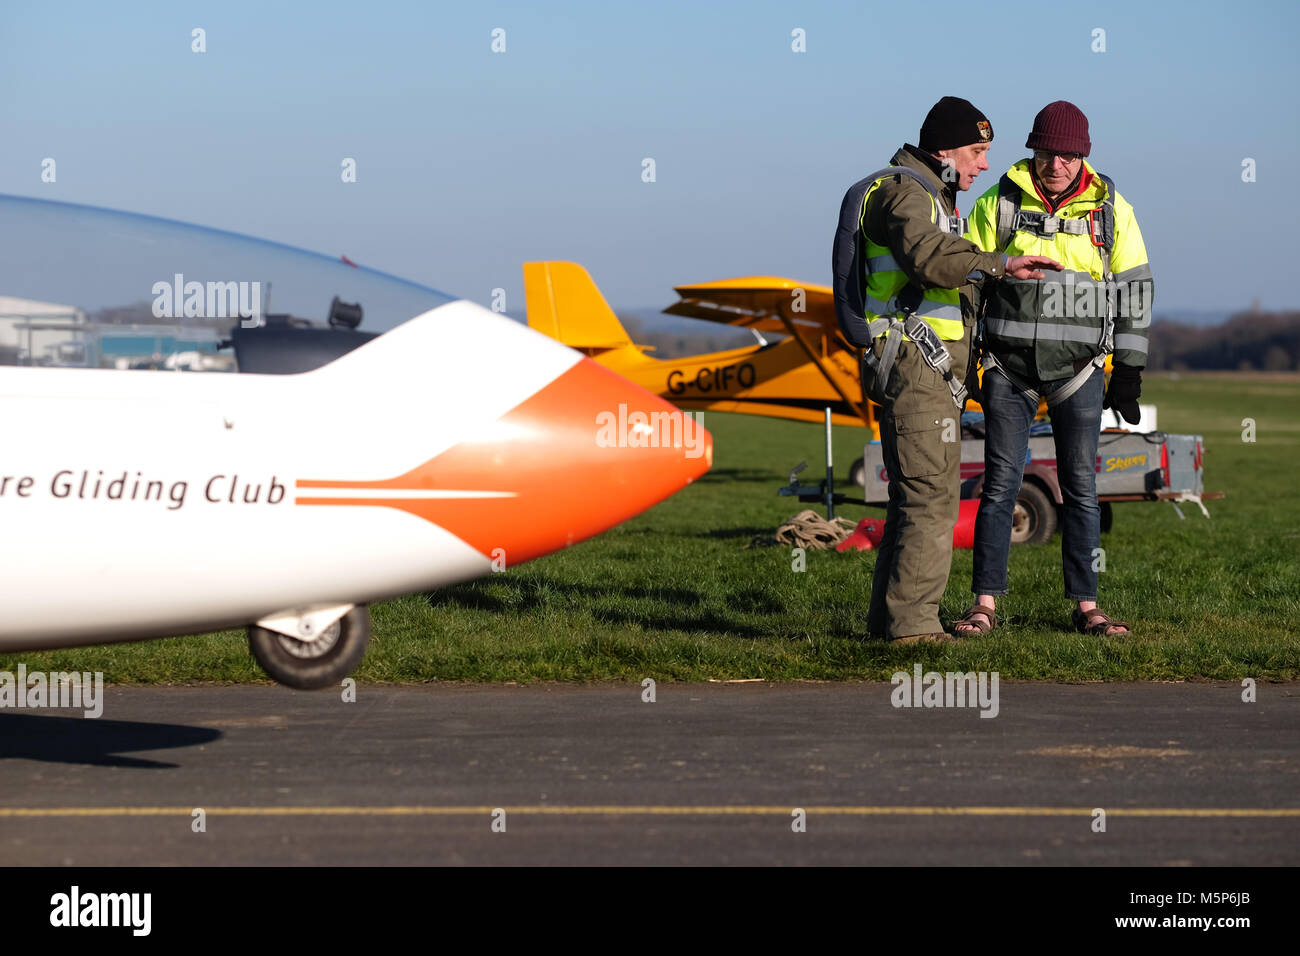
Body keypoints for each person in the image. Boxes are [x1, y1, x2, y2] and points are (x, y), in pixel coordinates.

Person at [842, 97, 1062, 645]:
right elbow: (926, 257)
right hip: (915, 371)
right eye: (977, 152)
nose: (984, 165)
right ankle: (914, 632)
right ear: (944, 150)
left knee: (913, 498)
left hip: (925, 370)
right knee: (931, 499)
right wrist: (998, 263)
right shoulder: (904, 194)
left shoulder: (929, 196)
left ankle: (889, 626)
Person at [953, 101, 1153, 637]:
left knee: (1082, 488)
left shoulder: (1114, 211)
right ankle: (984, 605)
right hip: (1005, 368)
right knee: (999, 487)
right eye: (1047, 152)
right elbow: (966, 280)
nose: (1056, 163)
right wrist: (966, 361)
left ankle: (1088, 608)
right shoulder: (997, 204)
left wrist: (1129, 368)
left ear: (1083, 156)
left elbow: (1135, 290)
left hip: (1081, 372)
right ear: (1033, 150)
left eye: (1067, 154)